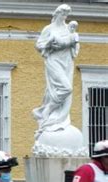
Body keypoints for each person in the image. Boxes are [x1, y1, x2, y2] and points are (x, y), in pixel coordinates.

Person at [33, 4, 79, 138]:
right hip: (53, 61)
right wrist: (49, 44)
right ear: (57, 14)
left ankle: (55, 117)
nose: (64, 17)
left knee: (62, 89)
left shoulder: (69, 28)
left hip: (66, 62)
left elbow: (75, 49)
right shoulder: (49, 29)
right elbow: (39, 45)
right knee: (66, 88)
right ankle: (46, 110)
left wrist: (73, 41)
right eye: (62, 14)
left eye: (66, 14)